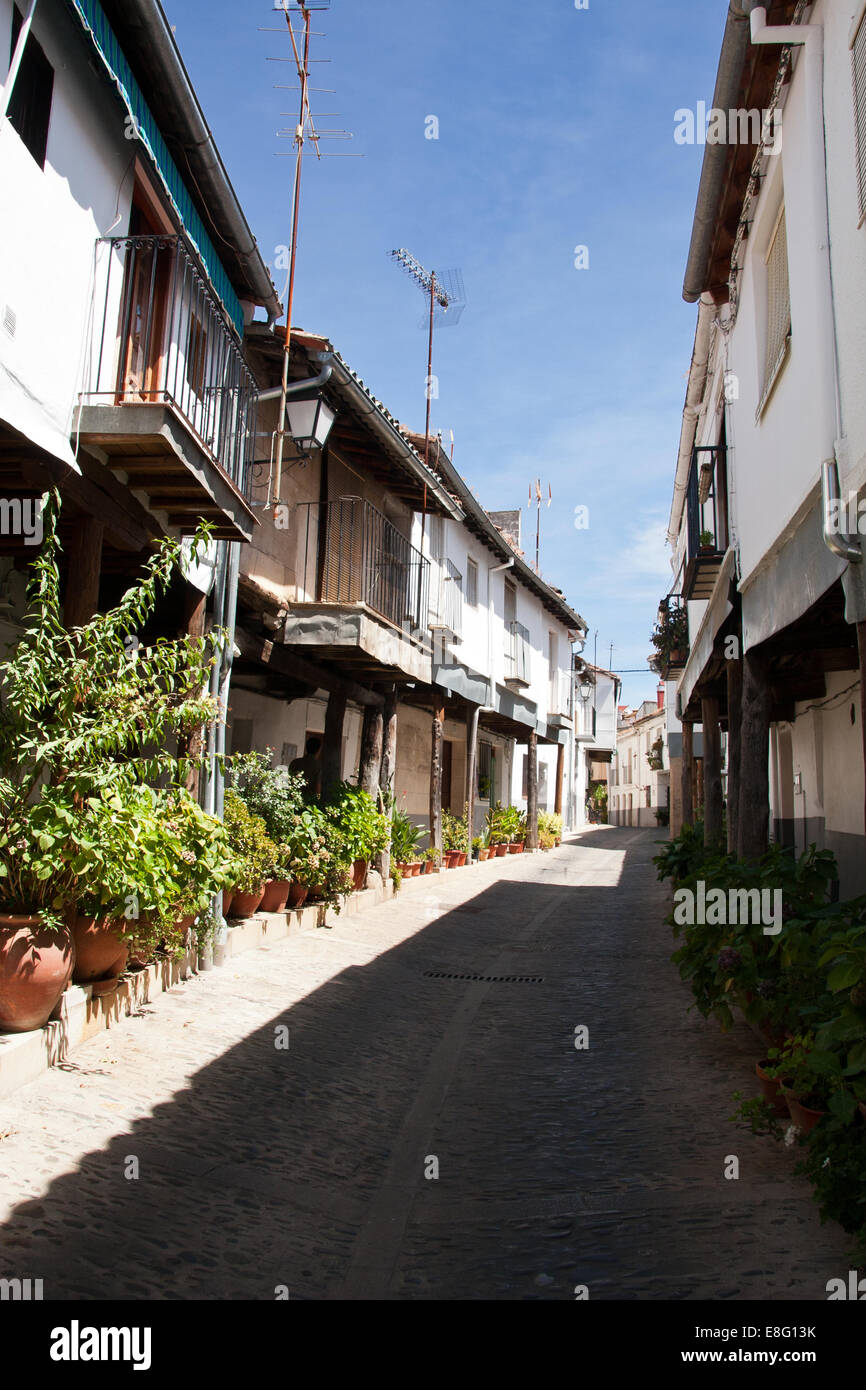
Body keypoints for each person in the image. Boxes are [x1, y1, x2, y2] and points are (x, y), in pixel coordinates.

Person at [290, 735, 322, 802]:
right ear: (318, 751)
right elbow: (318, 788)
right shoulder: (318, 766)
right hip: (309, 802)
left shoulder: (295, 762)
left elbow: (290, 782)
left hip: (293, 800)